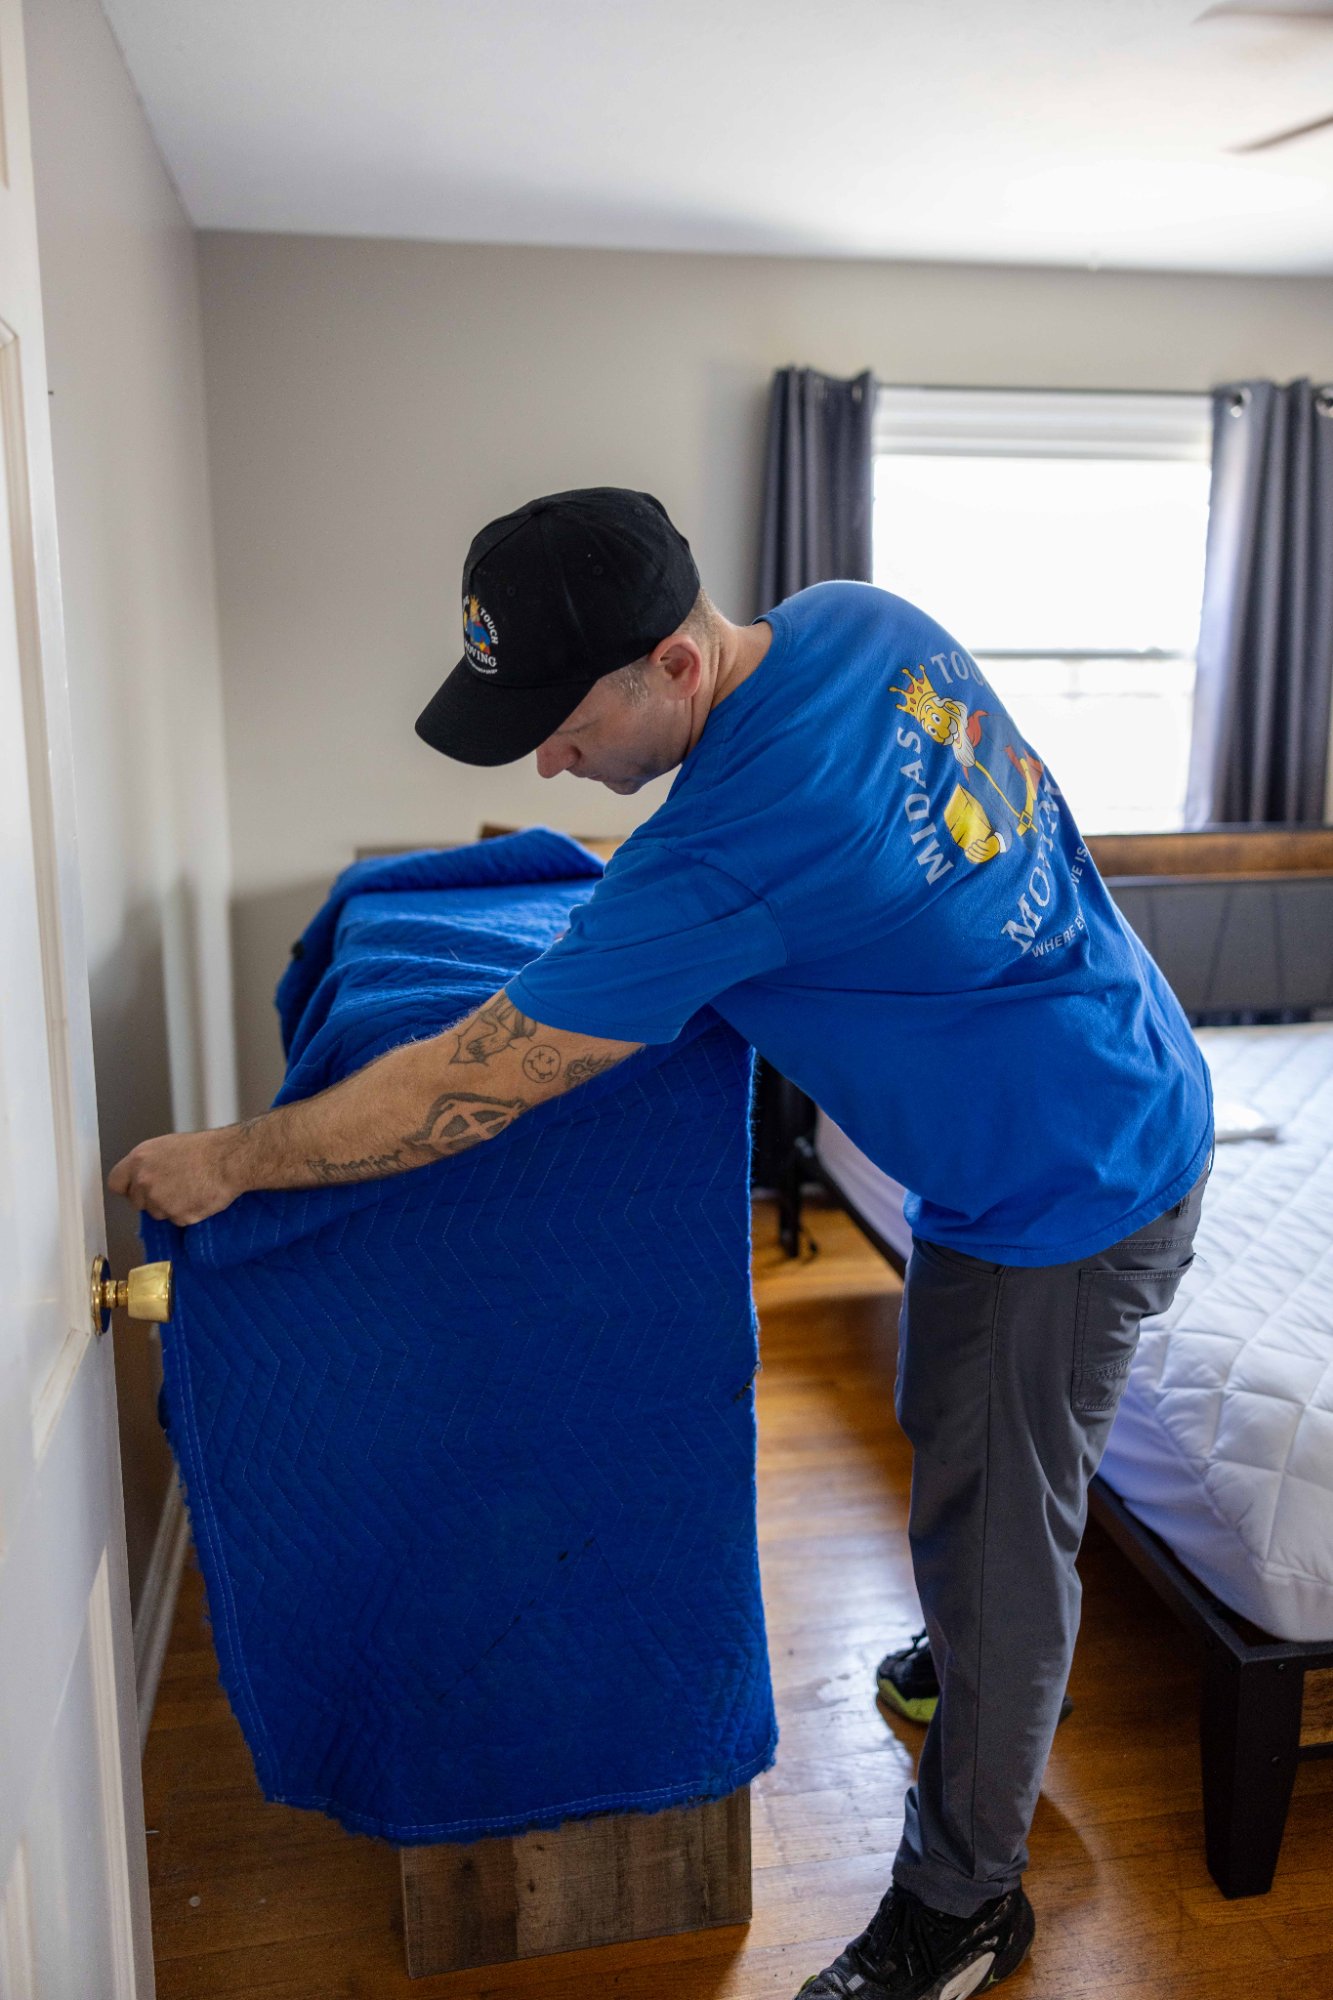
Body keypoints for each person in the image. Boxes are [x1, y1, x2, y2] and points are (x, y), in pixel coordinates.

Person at [111, 486, 1213, 2000]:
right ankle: (964, 1673)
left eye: (563, 727)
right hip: (1101, 1075)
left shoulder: (730, 852)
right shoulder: (855, 620)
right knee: (951, 1441)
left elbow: (460, 1087)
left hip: (1073, 1186)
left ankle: (963, 1903)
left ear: (675, 667)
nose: (553, 762)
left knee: (1001, 1529)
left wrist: (229, 1160)